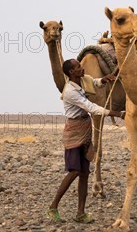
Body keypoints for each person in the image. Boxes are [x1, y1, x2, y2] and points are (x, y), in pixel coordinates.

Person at [47, 59, 125, 223]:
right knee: (74, 171)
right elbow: (91, 107)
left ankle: (80, 213)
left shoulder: (82, 80)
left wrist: (104, 79)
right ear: (70, 73)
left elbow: (93, 82)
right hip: (74, 131)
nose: (81, 68)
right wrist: (116, 113)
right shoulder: (70, 91)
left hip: (85, 128)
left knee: (84, 173)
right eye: (77, 68)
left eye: (80, 66)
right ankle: (53, 206)